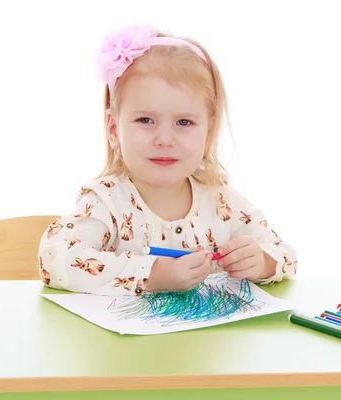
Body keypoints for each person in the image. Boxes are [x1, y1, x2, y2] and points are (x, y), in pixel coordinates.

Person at [37, 24, 298, 296]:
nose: (164, 139)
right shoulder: (107, 203)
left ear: (208, 131)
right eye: (145, 120)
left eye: (184, 122)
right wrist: (152, 274)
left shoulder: (221, 202)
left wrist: (262, 261)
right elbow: (53, 258)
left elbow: (285, 255)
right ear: (114, 129)